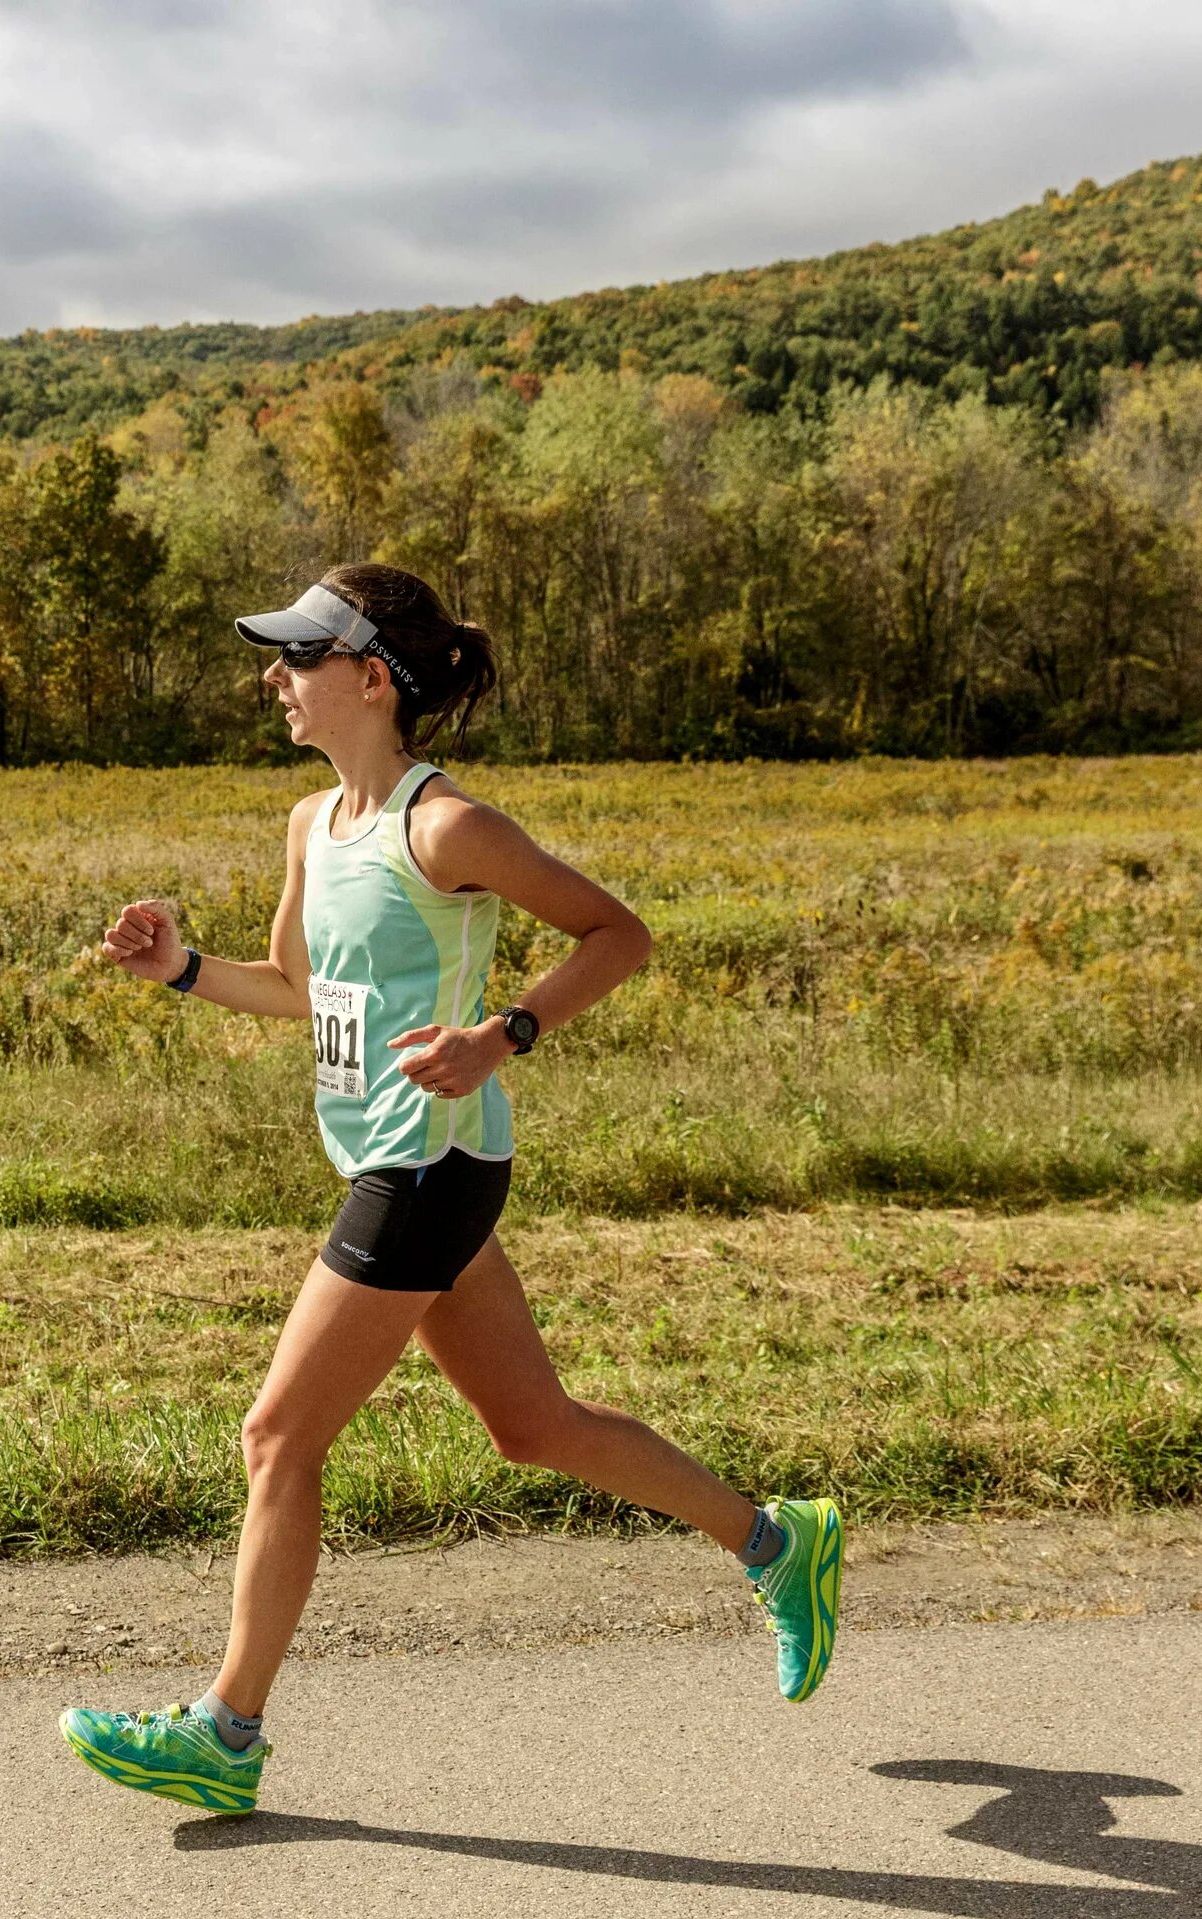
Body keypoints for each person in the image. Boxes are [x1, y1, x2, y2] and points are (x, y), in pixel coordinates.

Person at [57, 563, 842, 1818]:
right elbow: (298, 986)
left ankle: (226, 1730)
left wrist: (503, 1035)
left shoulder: (447, 828)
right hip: (406, 1160)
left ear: (372, 678)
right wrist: (183, 968)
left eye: (299, 657)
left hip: (426, 1166)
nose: (275, 678)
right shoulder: (316, 827)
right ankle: (778, 1540)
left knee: (277, 1434)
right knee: (532, 1426)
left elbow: (618, 934)